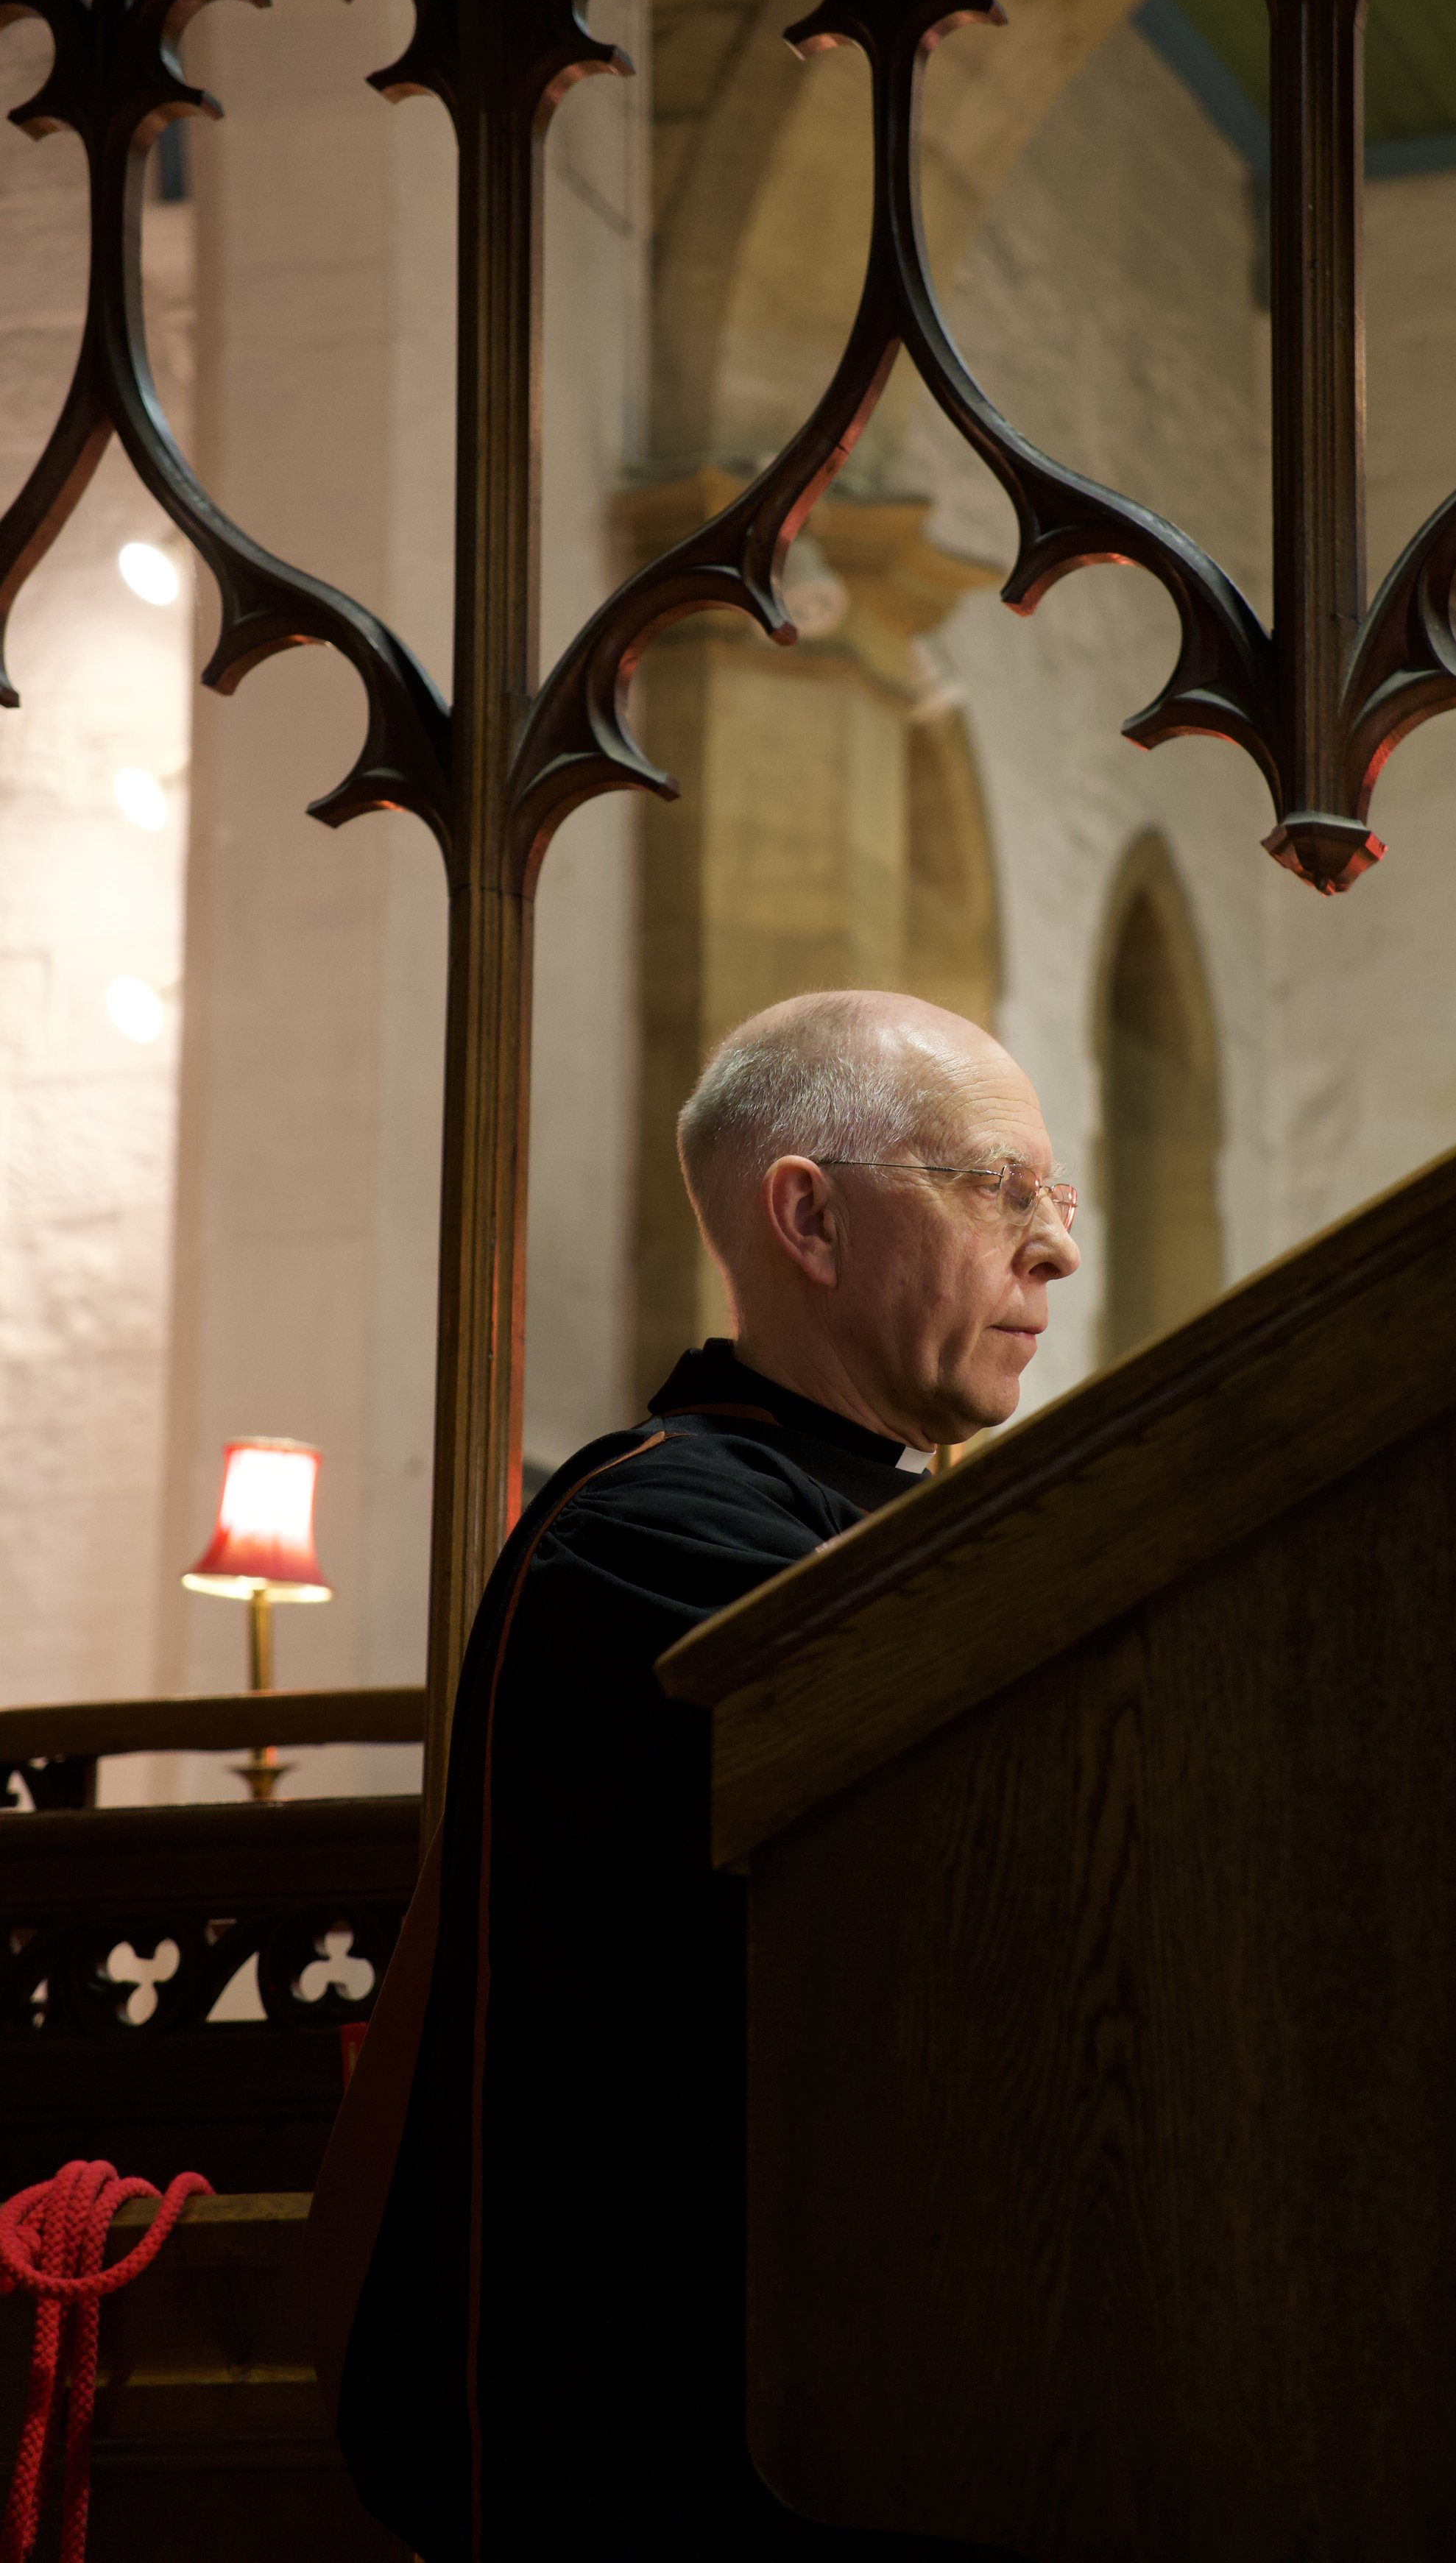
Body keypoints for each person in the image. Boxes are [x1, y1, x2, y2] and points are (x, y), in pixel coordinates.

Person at [305, 990, 1080, 2560]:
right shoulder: (660, 1535)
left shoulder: (846, 1513)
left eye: (1055, 1201)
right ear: (807, 1215)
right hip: (676, 2457)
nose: (1053, 1250)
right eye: (1000, 1189)